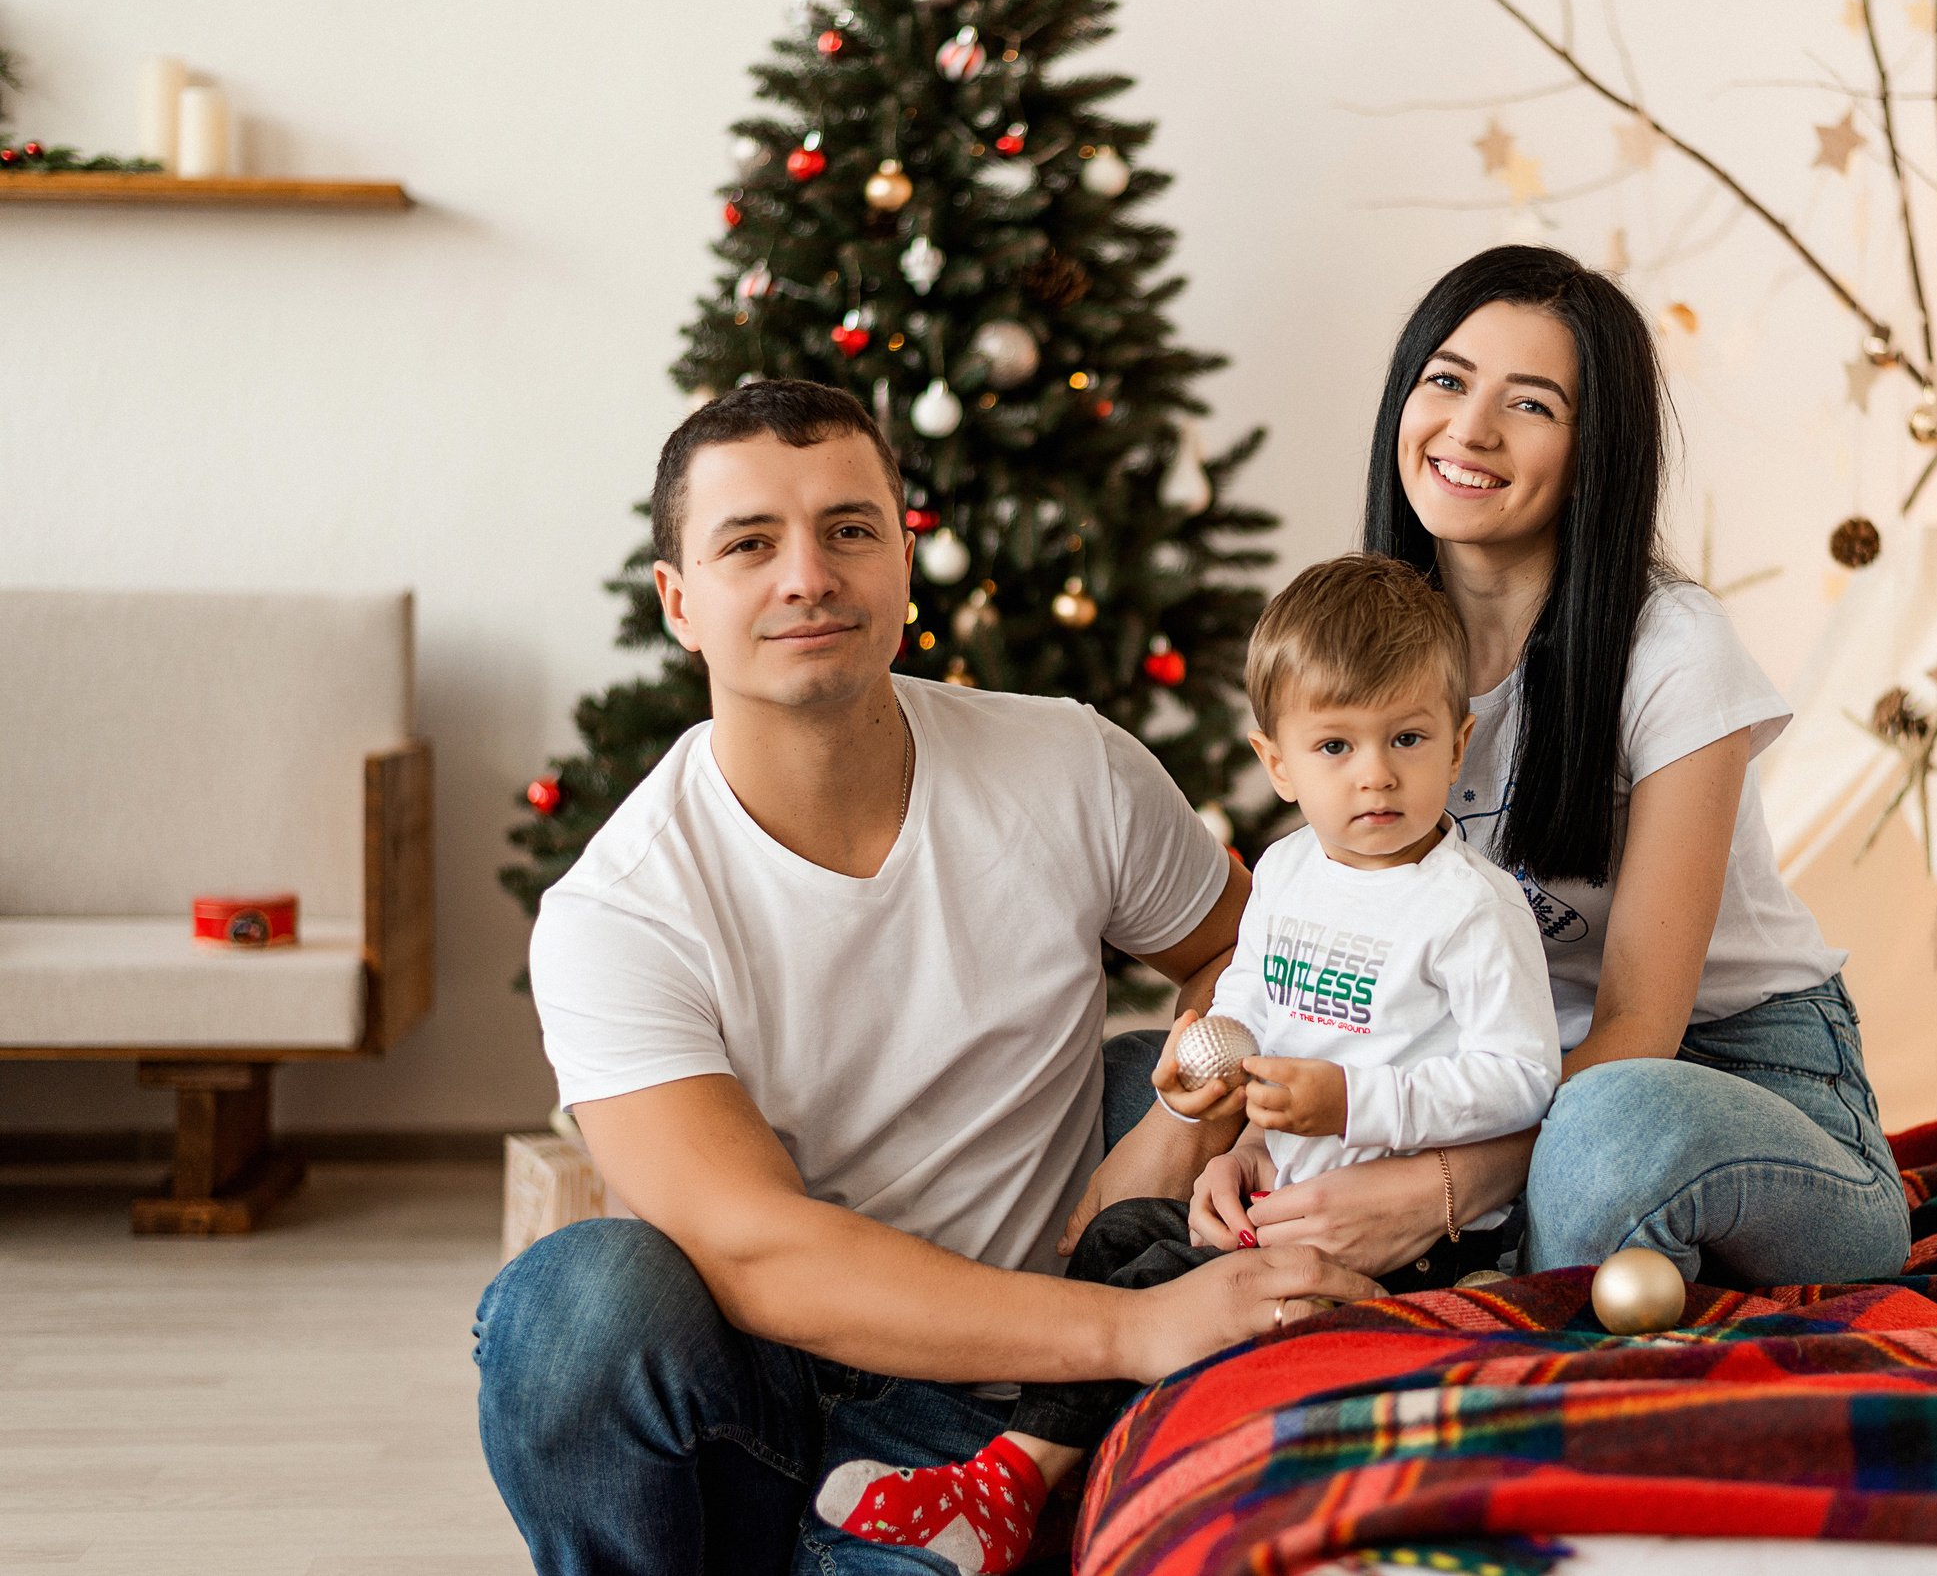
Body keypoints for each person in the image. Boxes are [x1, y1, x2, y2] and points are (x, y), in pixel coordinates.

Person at [473, 380, 1376, 1576]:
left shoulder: (1069, 765)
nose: (809, 574)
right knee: (573, 1305)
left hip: (1020, 1391)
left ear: (905, 558)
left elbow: (1250, 951)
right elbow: (758, 1249)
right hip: (770, 1392)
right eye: (751, 543)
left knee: (1129, 1081)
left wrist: (1178, 1104)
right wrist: (1137, 1326)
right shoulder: (618, 909)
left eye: (850, 528)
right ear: (679, 603)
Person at [813, 553, 1561, 1575]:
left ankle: (1009, 1484)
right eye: (1335, 744)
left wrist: (1349, 1097)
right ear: (1279, 761)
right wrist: (1206, 1088)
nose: (1375, 773)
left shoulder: (1467, 906)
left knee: (1165, 1277)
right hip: (1275, 1187)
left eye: (1408, 738)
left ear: (1458, 739)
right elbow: (1250, 995)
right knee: (1124, 1230)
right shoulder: (1291, 868)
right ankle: (1047, 1472)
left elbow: (1523, 1075)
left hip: (1408, 1241)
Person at [1191, 244, 1911, 1292]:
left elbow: (1635, 1030)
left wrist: (1441, 1182)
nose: (1469, 428)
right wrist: (1260, 1138)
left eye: (1528, 404)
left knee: (1606, 1134)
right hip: (1478, 1081)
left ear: (1594, 449)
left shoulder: (1670, 649)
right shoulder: (1376, 644)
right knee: (1141, 1085)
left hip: (1715, 1078)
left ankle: (1513, 1273)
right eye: (1445, 380)